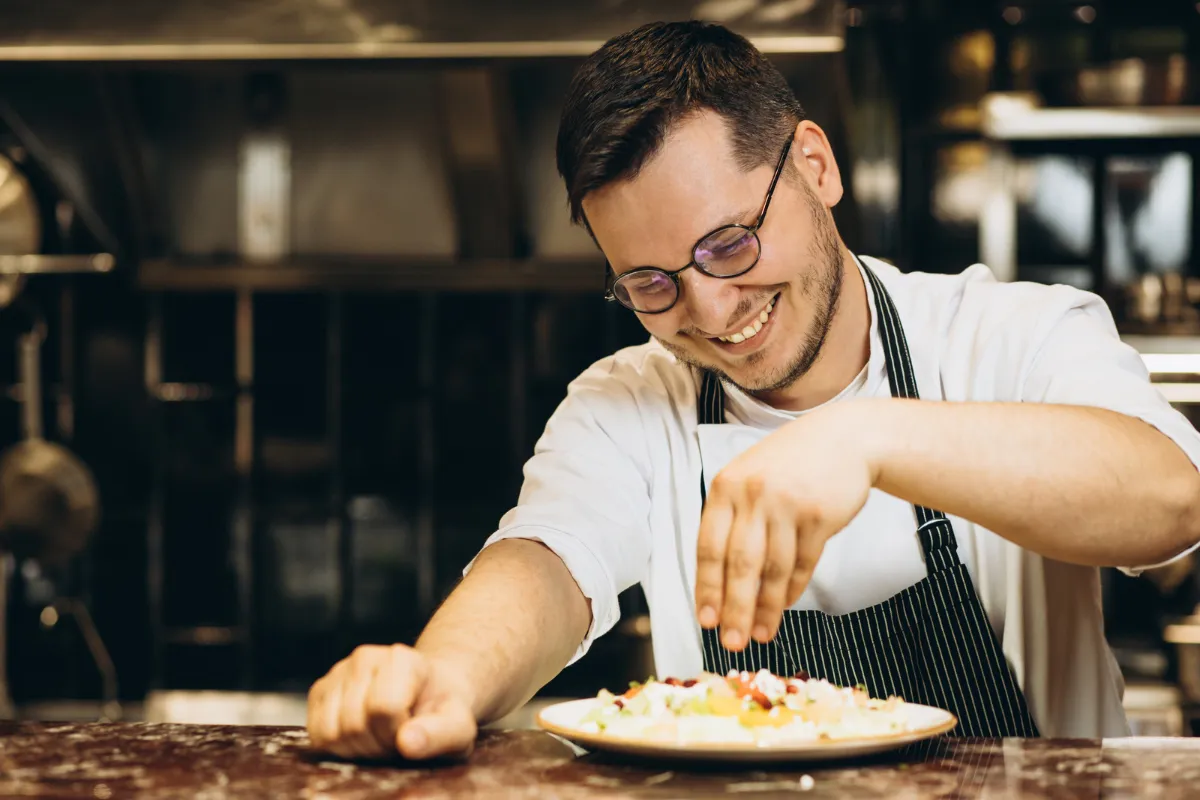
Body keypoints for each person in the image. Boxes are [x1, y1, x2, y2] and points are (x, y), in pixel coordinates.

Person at [306, 21, 1200, 759]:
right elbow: (546, 559)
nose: (709, 308)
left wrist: (867, 439)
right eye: (651, 284)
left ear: (815, 166)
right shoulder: (628, 402)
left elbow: (1169, 499)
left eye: (728, 243)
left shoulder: (1009, 334)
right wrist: (442, 679)